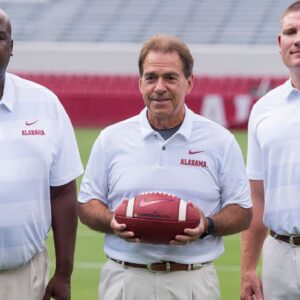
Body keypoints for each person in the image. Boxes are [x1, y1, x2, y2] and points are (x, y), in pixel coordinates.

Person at [78, 33, 252, 300]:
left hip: (193, 280)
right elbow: (87, 203)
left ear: (189, 82)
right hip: (126, 279)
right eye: (151, 78)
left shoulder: (220, 140)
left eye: (170, 78)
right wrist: (111, 221)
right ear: (140, 84)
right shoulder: (111, 138)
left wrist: (207, 225)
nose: (159, 87)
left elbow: (242, 211)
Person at [0, 8, 83, 300]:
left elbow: (63, 193)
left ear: (11, 48)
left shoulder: (45, 104)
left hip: (23, 278)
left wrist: (64, 273)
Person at [240, 1, 300, 299]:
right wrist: (248, 267)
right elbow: (257, 196)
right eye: (290, 31)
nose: (297, 39)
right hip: (278, 255)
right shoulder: (263, 109)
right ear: (280, 44)